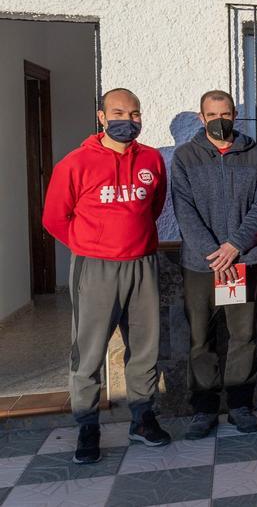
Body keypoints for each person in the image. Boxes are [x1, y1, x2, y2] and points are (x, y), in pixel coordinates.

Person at [43, 88, 170, 464]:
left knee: (146, 346)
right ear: (101, 116)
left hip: (143, 264)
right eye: (118, 112)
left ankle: (143, 417)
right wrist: (91, 245)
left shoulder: (151, 159)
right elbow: (54, 218)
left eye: (134, 114)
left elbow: (155, 204)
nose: (127, 120)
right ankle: (87, 425)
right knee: (89, 350)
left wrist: (135, 241)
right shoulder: (75, 163)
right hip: (94, 268)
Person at [172, 90, 257, 439]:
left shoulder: (254, 154)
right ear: (201, 118)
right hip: (201, 266)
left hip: (242, 261)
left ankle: (241, 404)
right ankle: (204, 409)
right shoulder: (185, 157)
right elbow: (183, 209)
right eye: (212, 114)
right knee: (202, 339)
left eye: (226, 113)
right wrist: (213, 252)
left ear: (235, 115)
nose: (219, 120)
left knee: (243, 336)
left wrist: (234, 246)